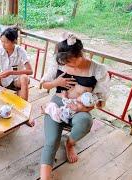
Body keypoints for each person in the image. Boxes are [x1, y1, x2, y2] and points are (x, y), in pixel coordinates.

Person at [32, 33, 110, 180]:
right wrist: (56, 83)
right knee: (51, 141)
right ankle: (45, 177)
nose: (68, 66)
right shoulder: (59, 62)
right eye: (65, 63)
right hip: (58, 103)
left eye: (71, 62)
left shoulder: (98, 70)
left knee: (85, 122)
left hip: (80, 107)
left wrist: (82, 108)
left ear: (81, 54)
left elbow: (99, 99)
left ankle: (69, 143)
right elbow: (45, 84)